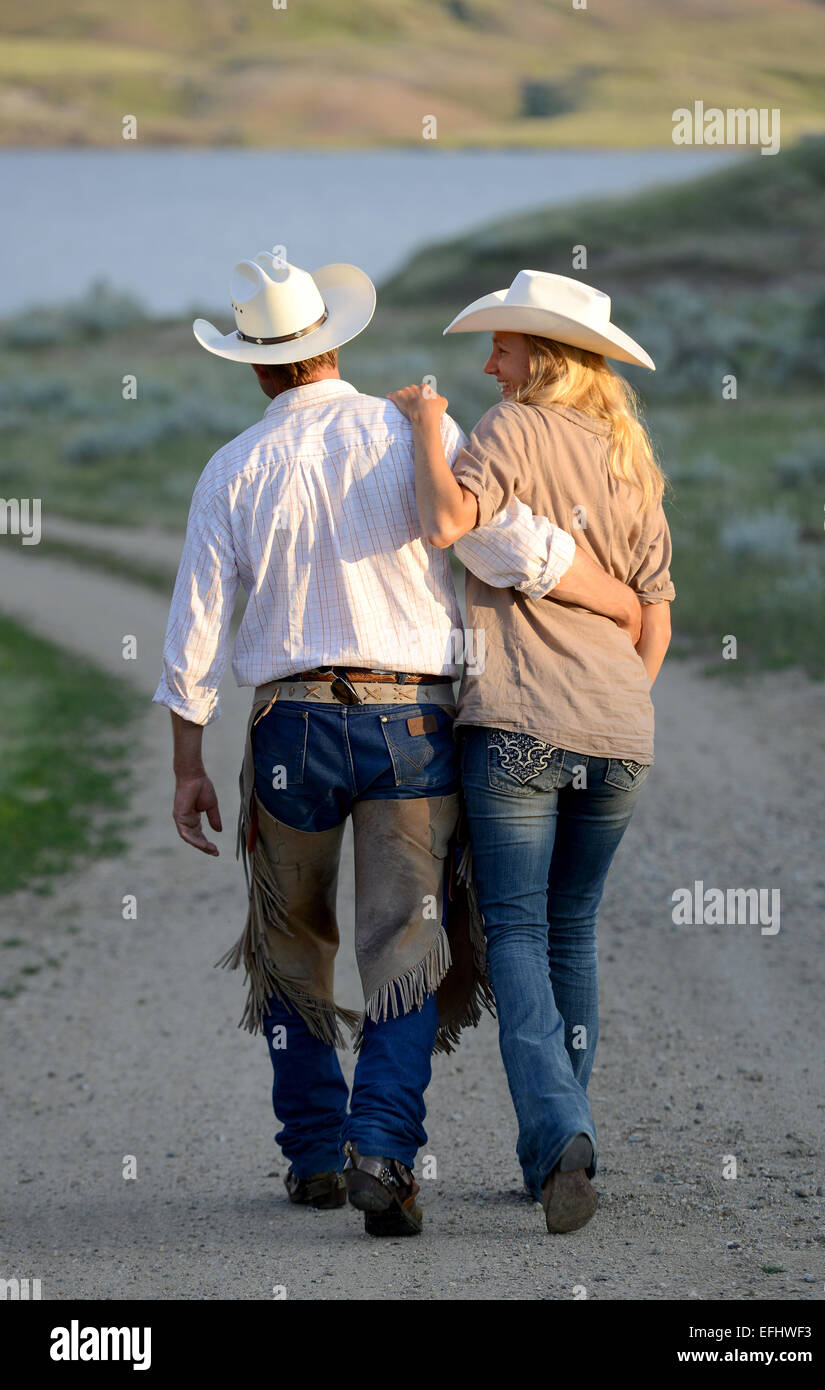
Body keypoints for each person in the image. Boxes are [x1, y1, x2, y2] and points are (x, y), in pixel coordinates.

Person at [154, 253, 643, 1237]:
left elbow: (194, 631)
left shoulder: (233, 467)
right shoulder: (407, 430)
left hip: (289, 723)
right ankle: (381, 1145)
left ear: (255, 367)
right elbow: (500, 538)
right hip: (411, 725)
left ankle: (312, 1155)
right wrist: (616, 597)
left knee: (291, 942)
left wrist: (185, 763)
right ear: (333, 343)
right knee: (406, 948)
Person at [388, 269, 674, 1234]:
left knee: (513, 930)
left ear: (539, 357)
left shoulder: (506, 430)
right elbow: (657, 621)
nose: (487, 362)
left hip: (516, 722)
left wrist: (429, 423)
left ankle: (560, 1137)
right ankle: (555, 1148)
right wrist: (617, 702)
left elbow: (442, 522)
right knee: (573, 930)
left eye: (501, 347)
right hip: (620, 731)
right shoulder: (635, 462)